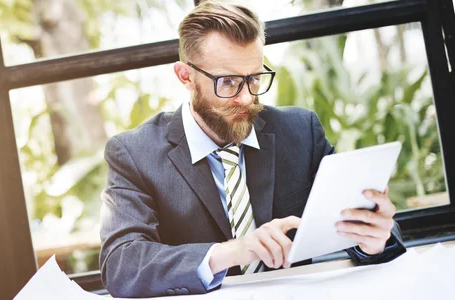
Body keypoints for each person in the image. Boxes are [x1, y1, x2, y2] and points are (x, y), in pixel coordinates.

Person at [99, 0, 406, 298]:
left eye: (255, 78)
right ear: (186, 77)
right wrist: (231, 252)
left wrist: (374, 239)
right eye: (228, 82)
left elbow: (361, 222)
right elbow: (122, 265)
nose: (246, 98)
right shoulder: (134, 153)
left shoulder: (300, 131)